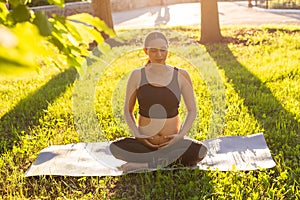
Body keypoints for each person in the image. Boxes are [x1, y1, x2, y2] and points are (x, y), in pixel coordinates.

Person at [110, 31, 207, 172]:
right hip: (145, 144)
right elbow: (127, 110)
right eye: (154, 51)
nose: (159, 55)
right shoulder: (137, 75)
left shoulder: (181, 75)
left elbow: (192, 110)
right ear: (146, 51)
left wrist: (180, 136)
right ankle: (165, 160)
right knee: (115, 148)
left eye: (163, 50)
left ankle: (147, 165)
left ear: (168, 49)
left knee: (200, 151)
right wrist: (137, 134)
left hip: (172, 143)